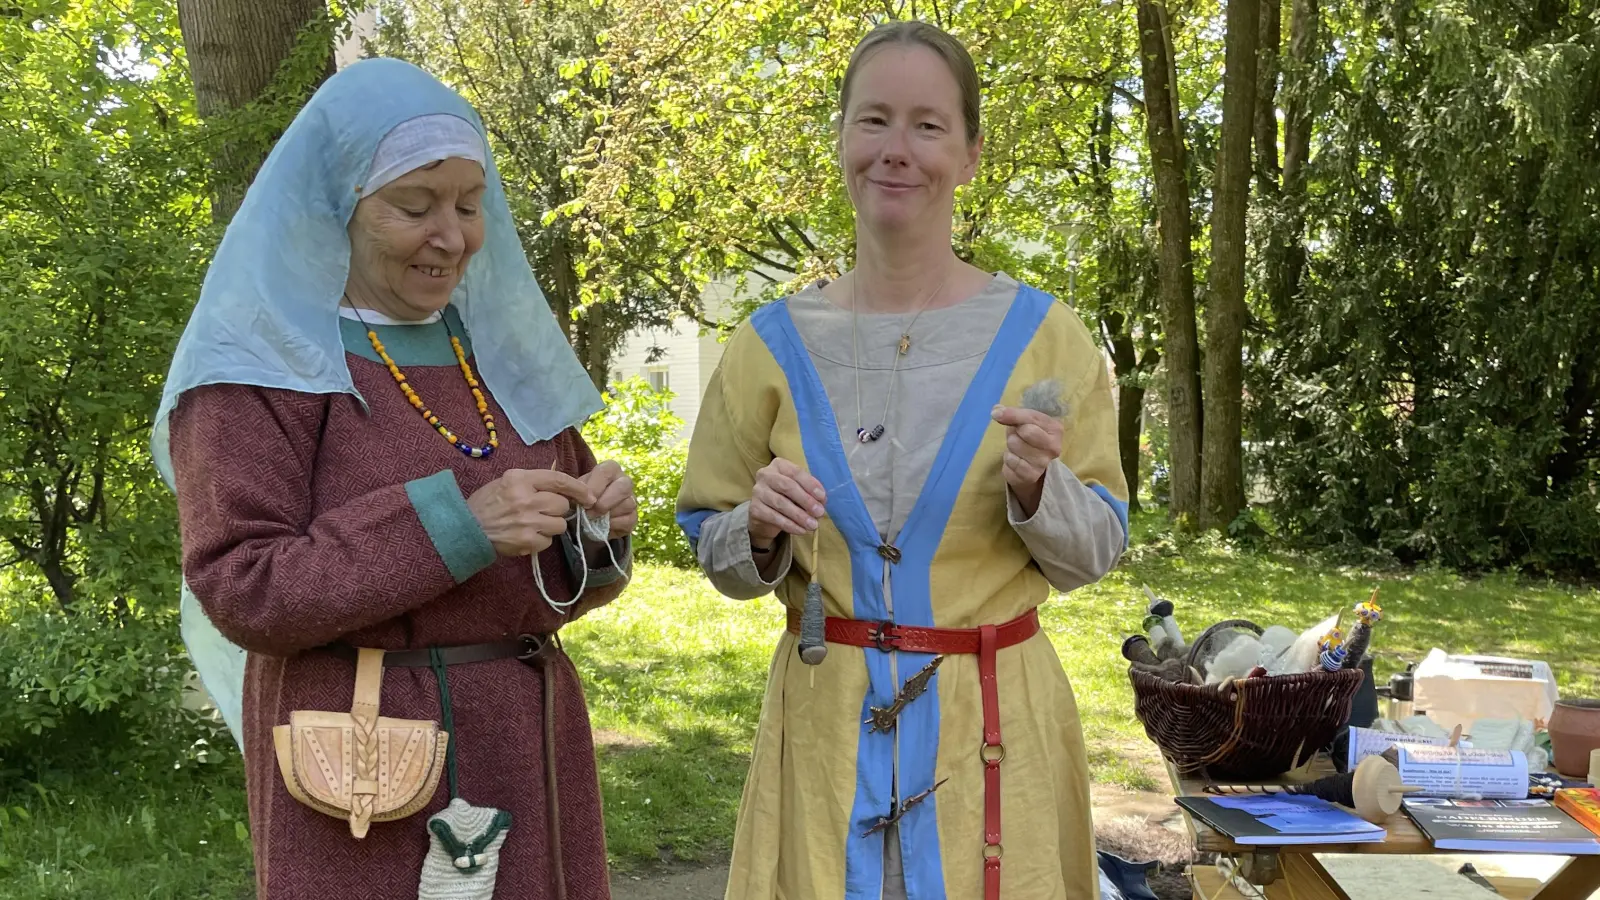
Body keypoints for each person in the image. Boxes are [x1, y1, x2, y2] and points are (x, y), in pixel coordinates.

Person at [152, 58, 635, 900]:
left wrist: (596, 531)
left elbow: (561, 584)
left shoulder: (496, 353)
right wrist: (455, 527)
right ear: (340, 205)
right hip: (362, 767)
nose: (451, 236)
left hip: (528, 748)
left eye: (469, 206)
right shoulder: (256, 369)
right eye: (415, 207)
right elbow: (243, 585)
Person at [675, 21, 1128, 900]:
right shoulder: (766, 346)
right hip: (825, 735)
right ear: (842, 137)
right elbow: (712, 540)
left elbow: (1095, 551)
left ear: (969, 154)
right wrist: (758, 529)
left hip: (995, 733)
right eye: (874, 119)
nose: (897, 149)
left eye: (928, 125)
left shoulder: (1046, 338)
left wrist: (1038, 488)